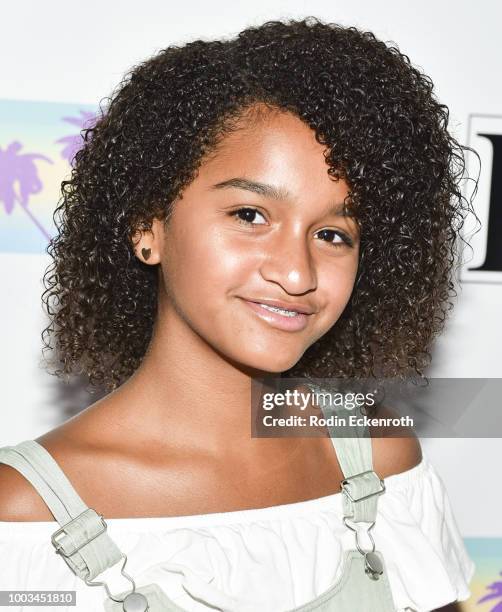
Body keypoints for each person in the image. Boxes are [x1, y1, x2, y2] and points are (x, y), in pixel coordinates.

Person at [0, 16, 475, 612]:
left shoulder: (376, 455)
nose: (297, 274)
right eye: (250, 215)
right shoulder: (22, 513)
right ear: (148, 226)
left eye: (332, 234)